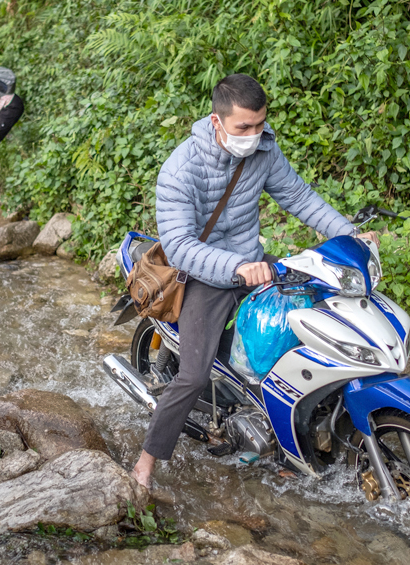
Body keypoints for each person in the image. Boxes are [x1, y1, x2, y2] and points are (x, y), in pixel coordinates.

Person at [130, 74, 379, 490]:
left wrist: (350, 235)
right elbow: (180, 246)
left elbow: (298, 197)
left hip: (254, 261)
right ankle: (145, 463)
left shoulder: (265, 149)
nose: (254, 135)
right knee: (193, 375)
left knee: (313, 318)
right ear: (217, 121)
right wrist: (236, 267)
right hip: (202, 275)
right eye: (244, 127)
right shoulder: (180, 170)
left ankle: (291, 436)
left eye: (260, 124)